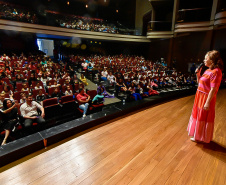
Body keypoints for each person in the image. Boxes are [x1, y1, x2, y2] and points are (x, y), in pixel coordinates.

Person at [187, 50, 224, 143]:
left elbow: (213, 89)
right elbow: (200, 83)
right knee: (198, 115)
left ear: (211, 60)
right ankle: (197, 135)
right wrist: (198, 75)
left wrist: (207, 102)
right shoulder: (208, 70)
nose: (204, 60)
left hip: (206, 98)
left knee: (203, 116)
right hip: (200, 96)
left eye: (206, 58)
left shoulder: (216, 72)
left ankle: (201, 136)